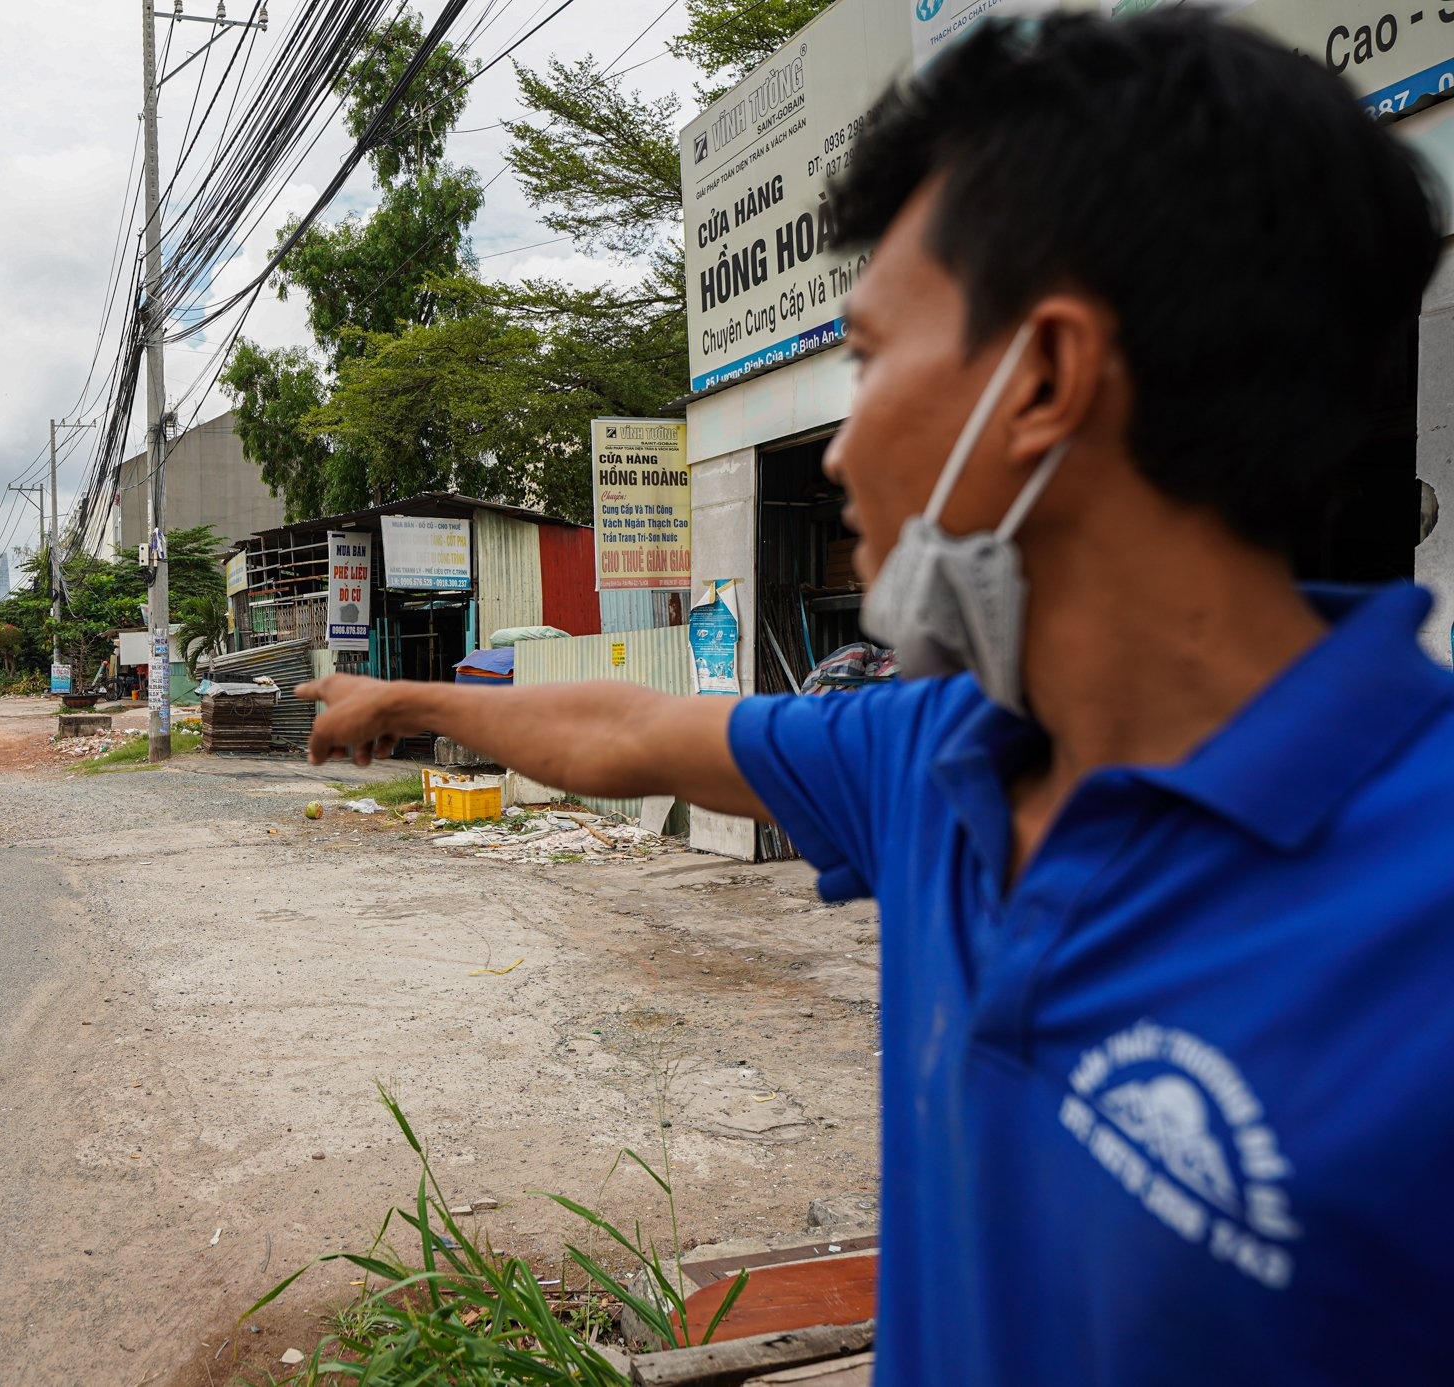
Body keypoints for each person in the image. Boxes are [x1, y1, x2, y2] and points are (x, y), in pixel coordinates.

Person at [299, 13, 1450, 1385]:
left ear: (1042, 379)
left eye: (868, 357)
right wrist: (410, 700)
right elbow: (631, 730)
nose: (838, 453)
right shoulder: (933, 755)